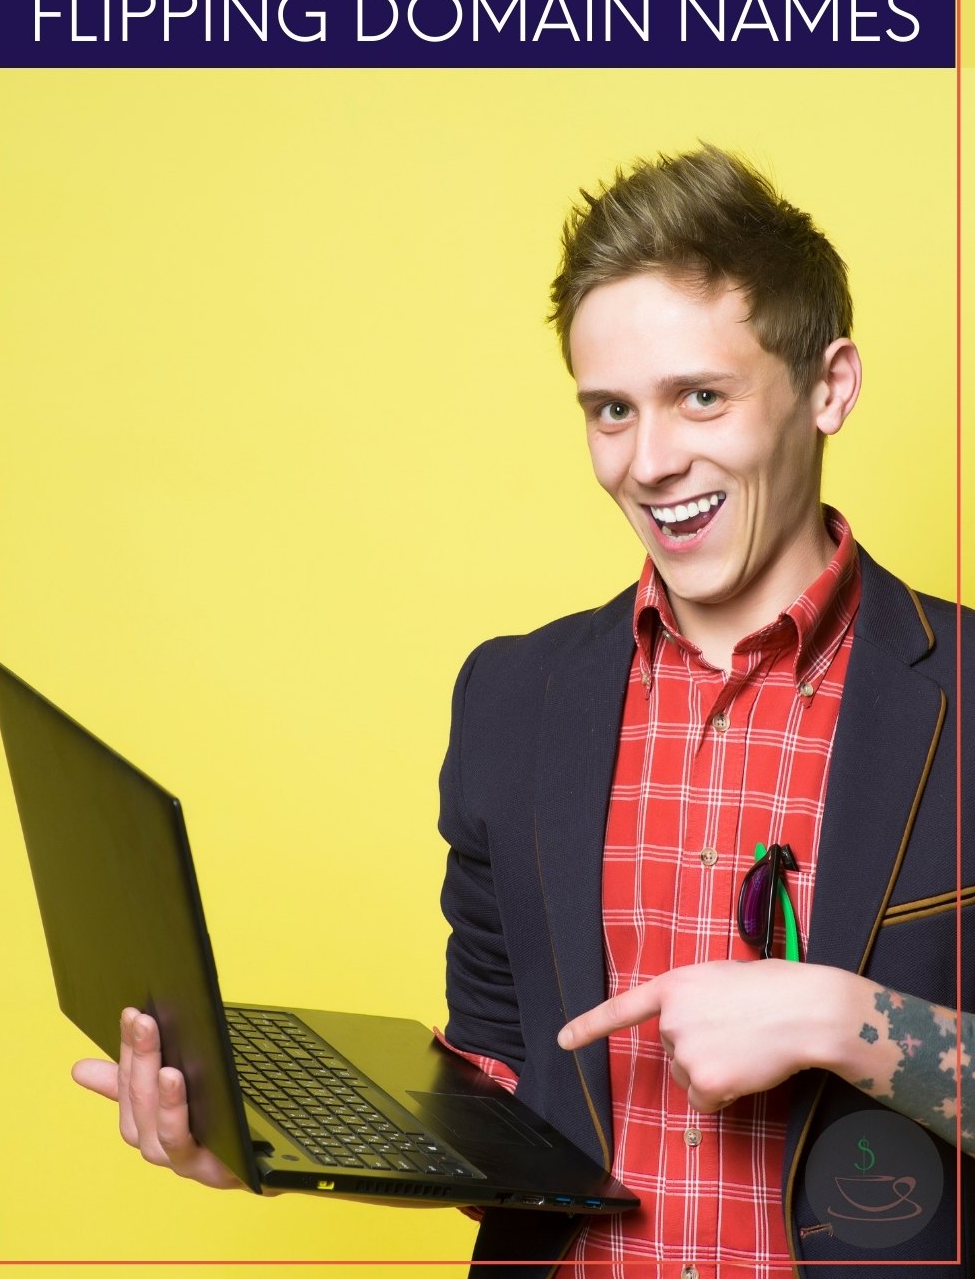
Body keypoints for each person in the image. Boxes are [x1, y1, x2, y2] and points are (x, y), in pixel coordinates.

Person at [74, 148, 973, 1277]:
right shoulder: (510, 698)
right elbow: (504, 1088)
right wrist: (264, 1142)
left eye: (701, 395)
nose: (649, 462)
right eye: (609, 409)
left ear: (828, 386)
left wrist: (848, 1026)